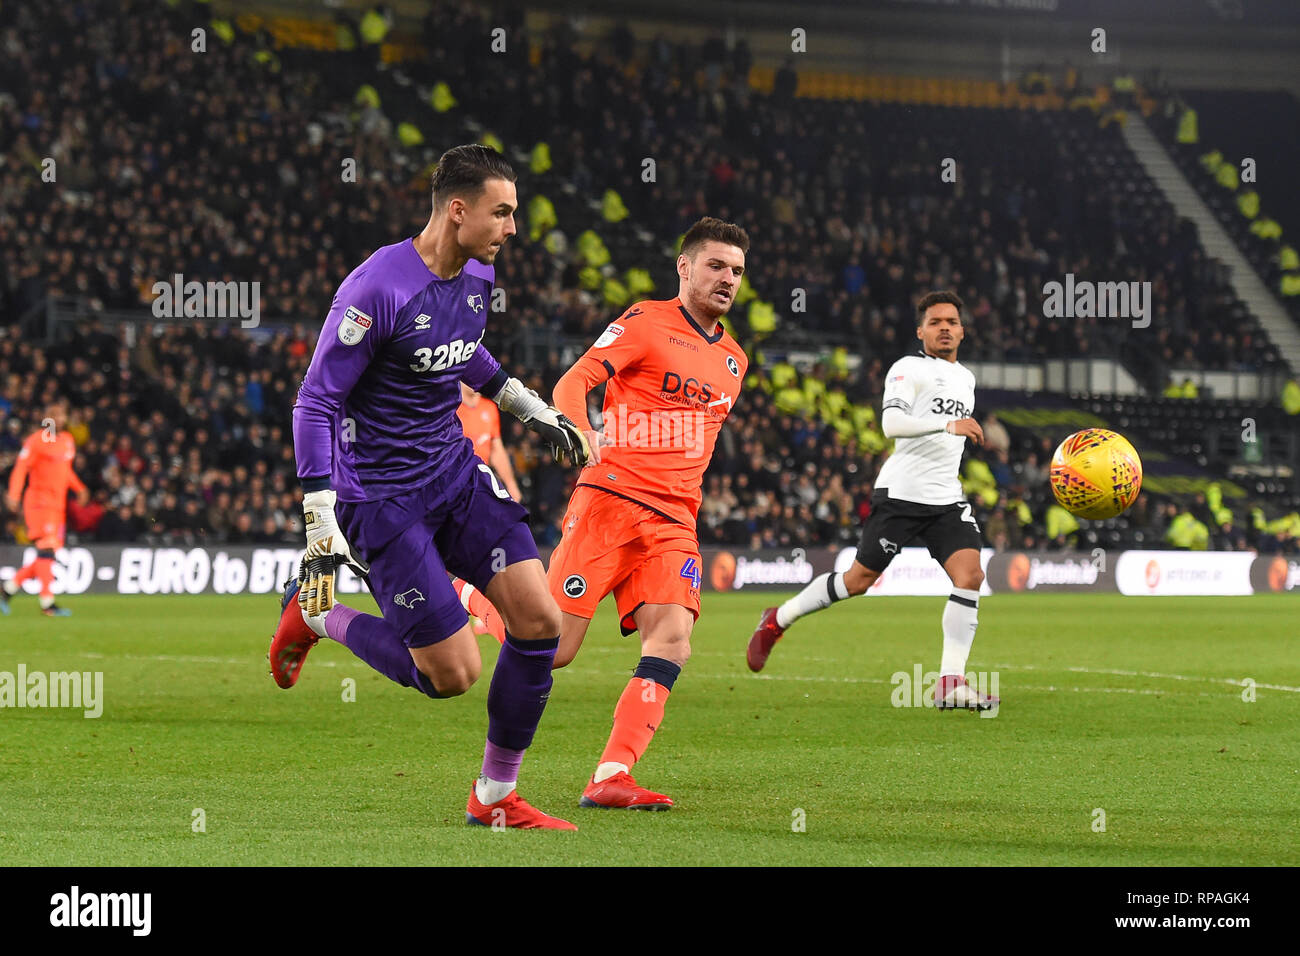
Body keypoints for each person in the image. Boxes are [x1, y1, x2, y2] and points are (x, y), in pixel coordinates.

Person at [268, 144, 592, 830]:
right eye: (502, 213)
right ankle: (320, 612)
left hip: (453, 471)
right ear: (458, 210)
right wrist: (319, 521)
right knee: (452, 675)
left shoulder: (477, 273)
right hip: (380, 497)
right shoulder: (374, 288)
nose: (512, 228)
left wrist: (527, 406)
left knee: (539, 621)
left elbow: (461, 348)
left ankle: (495, 797)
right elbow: (315, 403)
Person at [456, 217, 750, 808]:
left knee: (672, 639)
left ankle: (611, 775)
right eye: (716, 266)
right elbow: (575, 380)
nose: (728, 280)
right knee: (554, 647)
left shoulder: (736, 361)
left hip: (674, 521)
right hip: (611, 502)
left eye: (738, 272)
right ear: (684, 267)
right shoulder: (646, 322)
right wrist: (577, 426)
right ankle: (466, 589)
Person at [746, 290, 998, 710]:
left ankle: (950, 684)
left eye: (951, 322)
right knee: (857, 581)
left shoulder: (967, 380)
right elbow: (891, 423)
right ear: (921, 332)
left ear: (963, 330)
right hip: (900, 496)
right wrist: (948, 424)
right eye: (935, 322)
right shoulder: (909, 368)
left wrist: (950, 431)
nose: (944, 329)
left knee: (970, 576)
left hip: (946, 500)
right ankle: (779, 618)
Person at [1, 401, 87, 617]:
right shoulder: (37, 441)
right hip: (39, 503)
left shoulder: (67, 441)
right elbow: (21, 468)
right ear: (47, 418)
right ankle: (47, 604)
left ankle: (7, 589)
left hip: (58, 507)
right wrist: (13, 494)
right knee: (46, 550)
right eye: (54, 415)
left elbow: (65, 471)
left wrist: (80, 488)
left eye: (61, 415)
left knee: (45, 556)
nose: (59, 419)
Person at [457, 381, 522, 500]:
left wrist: (511, 484)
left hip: (480, 481)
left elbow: (496, 451)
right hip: (456, 481)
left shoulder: (489, 407)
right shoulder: (450, 410)